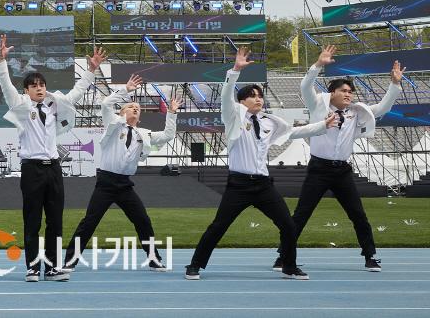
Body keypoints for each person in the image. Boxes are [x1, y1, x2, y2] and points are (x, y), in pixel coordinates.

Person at [184, 47, 338, 281]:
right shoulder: (233, 118)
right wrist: (235, 70)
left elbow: (295, 132)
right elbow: (226, 96)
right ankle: (195, 265)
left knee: (288, 225)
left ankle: (289, 265)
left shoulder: (269, 122)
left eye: (260, 95)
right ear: (242, 101)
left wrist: (321, 126)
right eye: (253, 95)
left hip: (264, 185)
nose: (258, 99)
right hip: (238, 185)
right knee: (219, 226)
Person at [272, 45, 404, 273]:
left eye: (350, 92)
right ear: (332, 92)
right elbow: (305, 86)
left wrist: (394, 85)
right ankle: (283, 257)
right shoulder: (317, 105)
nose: (348, 94)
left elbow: (383, 107)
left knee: (358, 215)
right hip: (318, 169)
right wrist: (318, 65)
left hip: (342, 171)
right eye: (344, 90)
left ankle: (370, 256)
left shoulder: (356, 111)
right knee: (301, 215)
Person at [0, 34, 106, 282]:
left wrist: (91, 70)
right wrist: (2, 62)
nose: (39, 88)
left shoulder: (55, 104)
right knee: (32, 221)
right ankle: (33, 268)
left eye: (41, 85)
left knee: (55, 221)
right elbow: (6, 87)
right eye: (34, 85)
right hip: (32, 170)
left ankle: (53, 267)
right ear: (27, 90)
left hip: (53, 170)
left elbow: (77, 92)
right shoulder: (21, 106)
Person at [63, 74, 180, 273]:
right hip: (106, 183)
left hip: (125, 185)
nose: (135, 108)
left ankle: (154, 259)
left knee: (142, 220)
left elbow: (168, 135)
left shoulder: (145, 134)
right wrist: (126, 89)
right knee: (89, 222)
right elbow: (106, 104)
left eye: (138, 108)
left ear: (140, 117)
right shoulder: (114, 123)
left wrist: (171, 112)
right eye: (130, 107)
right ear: (121, 112)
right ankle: (70, 260)